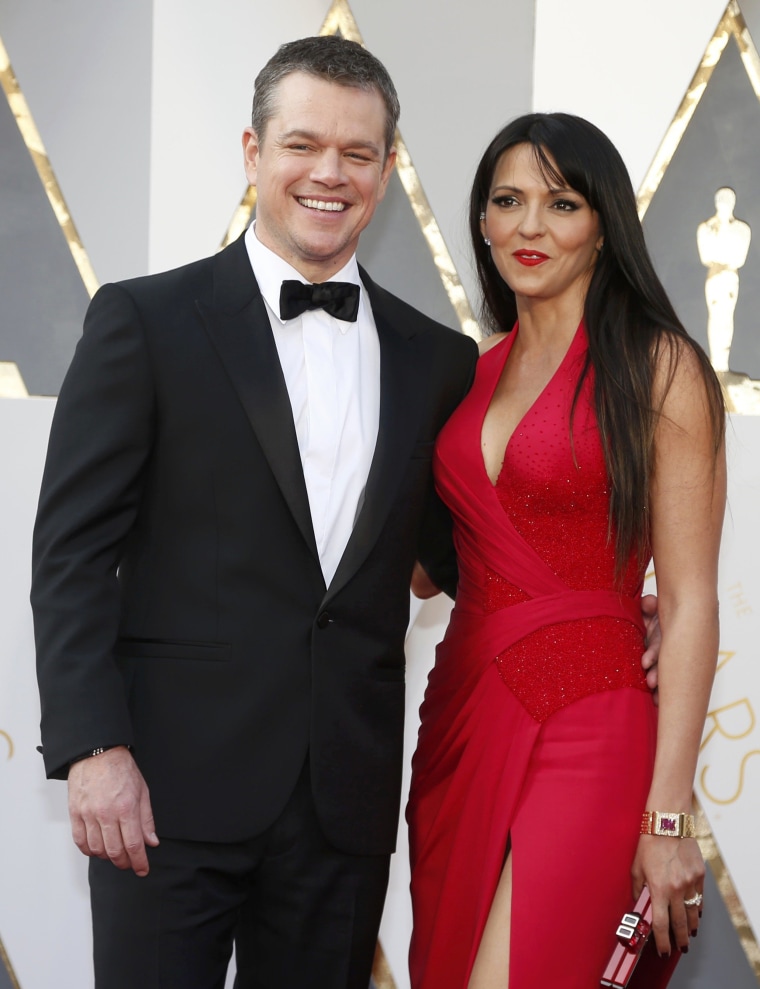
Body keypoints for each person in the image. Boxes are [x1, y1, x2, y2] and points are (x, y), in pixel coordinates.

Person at [29, 35, 478, 989]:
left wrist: (611, 604)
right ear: (252, 152)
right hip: (162, 794)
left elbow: (458, 551)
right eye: (302, 144)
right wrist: (93, 747)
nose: (329, 173)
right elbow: (71, 553)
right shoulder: (145, 320)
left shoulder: (438, 359)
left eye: (358, 154)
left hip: (341, 805)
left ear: (388, 170)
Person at [407, 113, 726, 989]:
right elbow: (427, 565)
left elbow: (691, 596)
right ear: (480, 220)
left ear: (603, 222)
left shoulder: (659, 369)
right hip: (463, 716)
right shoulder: (460, 378)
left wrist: (668, 818)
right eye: (507, 201)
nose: (530, 226)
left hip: (595, 719)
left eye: (562, 202)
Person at [697, 186, 751, 373]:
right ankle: (716, 361)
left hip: (729, 277)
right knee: (715, 317)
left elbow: (740, 258)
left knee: (726, 318)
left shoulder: (742, 230)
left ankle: (722, 363)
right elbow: (705, 257)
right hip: (715, 277)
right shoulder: (706, 228)